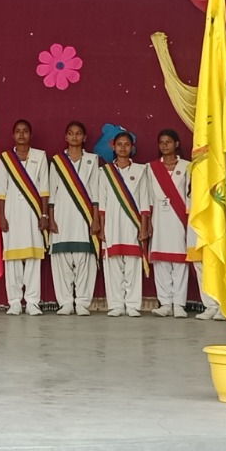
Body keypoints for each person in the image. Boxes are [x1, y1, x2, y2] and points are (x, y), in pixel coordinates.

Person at [48, 122, 103, 317]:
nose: (74, 137)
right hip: (62, 216)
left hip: (85, 217)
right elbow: (52, 193)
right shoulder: (57, 161)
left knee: (85, 260)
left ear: (85, 137)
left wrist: (96, 219)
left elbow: (96, 193)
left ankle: (81, 302)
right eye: (71, 133)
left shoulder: (92, 160)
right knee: (61, 261)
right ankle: (65, 302)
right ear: (66, 137)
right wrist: (51, 219)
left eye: (79, 133)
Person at [0, 119, 49, 316]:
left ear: (30, 135)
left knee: (33, 257)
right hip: (11, 212)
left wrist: (44, 214)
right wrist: (1, 216)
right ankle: (15, 301)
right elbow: (1, 191)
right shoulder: (5, 158)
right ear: (13, 135)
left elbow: (44, 188)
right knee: (12, 259)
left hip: (34, 212)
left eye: (25, 131)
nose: (21, 135)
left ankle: (33, 301)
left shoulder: (40, 156)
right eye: (18, 131)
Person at [99, 131, 153, 317]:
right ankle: (115, 304)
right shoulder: (105, 172)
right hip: (112, 224)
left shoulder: (141, 170)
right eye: (119, 144)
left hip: (133, 224)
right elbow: (102, 202)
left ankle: (132, 304)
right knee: (113, 265)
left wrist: (144, 227)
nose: (123, 148)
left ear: (132, 147)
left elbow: (145, 200)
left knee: (132, 265)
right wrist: (102, 227)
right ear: (113, 146)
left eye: (127, 144)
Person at [146, 129, 192, 318]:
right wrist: (147, 222)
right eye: (161, 142)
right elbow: (147, 196)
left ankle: (179, 304)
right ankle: (165, 302)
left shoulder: (188, 166)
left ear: (177, 144)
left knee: (180, 262)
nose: (165, 145)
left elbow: (190, 195)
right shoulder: (151, 168)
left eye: (168, 142)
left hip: (179, 219)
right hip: (159, 219)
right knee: (161, 262)